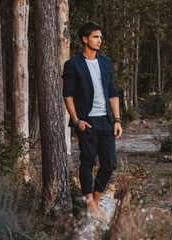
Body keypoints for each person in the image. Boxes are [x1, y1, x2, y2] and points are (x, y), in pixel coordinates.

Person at [62, 21, 122, 222]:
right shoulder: (73, 65)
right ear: (85, 39)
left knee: (110, 163)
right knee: (87, 162)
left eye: (100, 37)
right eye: (96, 37)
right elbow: (68, 95)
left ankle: (95, 202)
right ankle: (89, 204)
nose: (99, 40)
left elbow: (112, 92)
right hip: (86, 121)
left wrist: (117, 119)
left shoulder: (105, 62)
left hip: (105, 121)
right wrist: (76, 120)